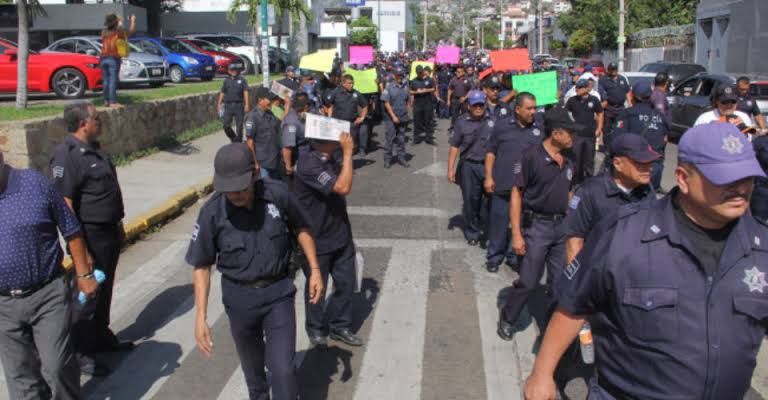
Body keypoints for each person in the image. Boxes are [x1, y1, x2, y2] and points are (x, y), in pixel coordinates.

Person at [524, 122, 768, 400]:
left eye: (747, 177)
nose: (740, 189)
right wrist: (542, 374)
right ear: (683, 179)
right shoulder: (623, 233)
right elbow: (573, 303)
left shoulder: (761, 248)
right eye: (724, 179)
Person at [187, 143, 324, 400]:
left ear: (255, 172)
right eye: (228, 190)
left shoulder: (278, 194)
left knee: (283, 371)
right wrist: (200, 316)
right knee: (254, 376)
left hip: (278, 294)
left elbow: (302, 228)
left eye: (241, 187)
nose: (235, 195)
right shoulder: (211, 212)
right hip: (239, 300)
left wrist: (314, 270)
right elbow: (202, 264)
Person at [0, 150, 94, 400]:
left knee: (57, 365)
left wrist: (84, 274)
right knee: (20, 377)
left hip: (47, 294)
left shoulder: (34, 183)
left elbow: (71, 229)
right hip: (3, 305)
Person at [49, 102, 135, 369]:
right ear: (84, 123)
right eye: (97, 118)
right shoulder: (66, 155)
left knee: (104, 288)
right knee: (86, 296)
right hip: (88, 236)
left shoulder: (94, 150)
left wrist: (118, 221)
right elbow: (65, 205)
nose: (101, 121)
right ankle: (80, 352)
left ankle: (101, 336)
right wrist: (80, 249)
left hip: (108, 231)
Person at [498, 106, 578, 341]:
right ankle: (508, 316)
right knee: (529, 281)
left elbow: (570, 192)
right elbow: (516, 194)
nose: (573, 137)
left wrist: (574, 225)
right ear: (556, 134)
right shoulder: (530, 157)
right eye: (569, 132)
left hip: (561, 228)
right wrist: (516, 234)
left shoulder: (569, 159)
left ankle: (552, 326)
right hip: (537, 228)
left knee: (560, 281)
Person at [293, 133, 364, 347]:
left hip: (340, 233)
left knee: (346, 282)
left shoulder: (329, 158)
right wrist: (349, 151)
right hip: (317, 238)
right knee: (317, 288)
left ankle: (340, 325)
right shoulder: (308, 163)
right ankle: (315, 328)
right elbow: (342, 187)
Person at [562, 133, 658, 263]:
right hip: (596, 273)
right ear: (617, 164)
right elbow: (574, 240)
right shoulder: (591, 191)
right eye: (640, 163)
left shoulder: (647, 191)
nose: (649, 168)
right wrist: (576, 280)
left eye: (650, 162)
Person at [484, 93, 542, 273]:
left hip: (527, 188)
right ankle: (494, 256)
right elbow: (491, 153)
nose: (533, 112)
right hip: (503, 183)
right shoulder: (502, 127)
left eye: (535, 108)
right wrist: (488, 176)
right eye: (529, 108)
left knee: (521, 225)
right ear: (517, 109)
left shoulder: (540, 129)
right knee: (499, 223)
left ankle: (513, 255)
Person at [448, 90, 493, 246]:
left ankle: (485, 227)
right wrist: (450, 169)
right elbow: (454, 146)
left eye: (481, 105)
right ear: (469, 106)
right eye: (475, 105)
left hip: (488, 167)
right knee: (470, 200)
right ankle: (472, 231)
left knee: (487, 201)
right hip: (469, 166)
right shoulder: (461, 122)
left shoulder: (492, 120)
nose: (478, 108)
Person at [614, 81, 670, 190]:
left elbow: (617, 141)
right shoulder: (660, 116)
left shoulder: (628, 114)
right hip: (654, 170)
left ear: (632, 96)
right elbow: (665, 139)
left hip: (634, 169)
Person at [565, 79, 604, 185]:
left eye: (580, 87)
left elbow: (600, 113)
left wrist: (599, 128)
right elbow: (564, 112)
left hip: (590, 134)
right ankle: (575, 180)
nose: (577, 89)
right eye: (576, 87)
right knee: (576, 159)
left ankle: (589, 182)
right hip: (577, 135)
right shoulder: (572, 100)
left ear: (587, 88)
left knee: (589, 159)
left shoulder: (594, 100)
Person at [99, 13, 135, 107]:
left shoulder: (104, 31)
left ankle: (106, 101)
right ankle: (113, 101)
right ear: (115, 22)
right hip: (113, 57)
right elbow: (130, 31)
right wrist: (132, 21)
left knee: (106, 80)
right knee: (113, 80)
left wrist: (117, 21)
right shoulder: (118, 32)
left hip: (103, 57)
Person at [246, 87, 282, 179]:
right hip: (263, 164)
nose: (271, 102)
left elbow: (280, 125)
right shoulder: (252, 117)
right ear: (260, 100)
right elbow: (250, 142)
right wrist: (255, 163)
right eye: (269, 100)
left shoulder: (270, 113)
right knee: (265, 189)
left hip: (274, 160)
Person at [327, 74, 368, 154]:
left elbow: (365, 105)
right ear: (343, 83)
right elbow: (329, 106)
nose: (351, 85)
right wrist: (329, 119)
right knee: (338, 146)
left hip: (352, 124)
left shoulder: (356, 93)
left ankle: (348, 163)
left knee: (350, 146)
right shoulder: (336, 92)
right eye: (349, 83)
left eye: (352, 83)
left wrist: (362, 117)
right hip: (338, 124)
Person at [381, 66, 411, 168]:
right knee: (390, 139)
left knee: (401, 139)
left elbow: (407, 101)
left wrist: (408, 112)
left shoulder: (406, 87)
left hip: (402, 117)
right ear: (394, 76)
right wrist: (393, 116)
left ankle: (401, 158)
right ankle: (387, 159)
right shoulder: (389, 87)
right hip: (391, 118)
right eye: (398, 75)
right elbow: (386, 102)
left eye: (401, 75)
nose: (400, 77)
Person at [598, 62, 631, 145]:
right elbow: (601, 92)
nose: (614, 71)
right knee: (607, 130)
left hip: (620, 108)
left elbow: (627, 92)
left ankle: (617, 145)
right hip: (609, 109)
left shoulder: (622, 79)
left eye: (615, 69)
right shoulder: (603, 80)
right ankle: (607, 147)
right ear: (608, 70)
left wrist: (629, 103)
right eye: (612, 69)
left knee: (620, 129)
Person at [217, 64, 250, 143]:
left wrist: (247, 104)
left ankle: (238, 142)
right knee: (226, 125)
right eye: (232, 70)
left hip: (239, 105)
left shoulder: (242, 80)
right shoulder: (226, 80)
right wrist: (219, 104)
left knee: (239, 126)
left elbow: (245, 91)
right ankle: (233, 138)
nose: (234, 71)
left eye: (235, 69)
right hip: (228, 105)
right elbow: (222, 92)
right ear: (229, 71)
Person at [281, 92, 310, 178]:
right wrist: (288, 167)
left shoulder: (300, 115)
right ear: (305, 106)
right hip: (296, 161)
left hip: (304, 157)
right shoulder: (291, 122)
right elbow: (287, 148)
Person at [410, 65, 437, 145]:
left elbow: (434, 88)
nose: (420, 74)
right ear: (416, 73)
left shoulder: (429, 79)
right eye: (419, 73)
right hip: (417, 103)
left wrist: (426, 90)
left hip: (428, 103)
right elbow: (410, 91)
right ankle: (416, 138)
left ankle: (429, 138)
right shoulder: (414, 81)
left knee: (428, 121)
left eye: (421, 72)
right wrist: (416, 92)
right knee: (417, 121)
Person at [448, 66, 473, 132]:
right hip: (455, 99)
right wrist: (448, 100)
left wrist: (465, 98)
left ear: (463, 73)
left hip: (464, 100)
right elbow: (450, 90)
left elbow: (470, 90)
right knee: (454, 115)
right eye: (456, 72)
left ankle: (464, 129)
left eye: (459, 72)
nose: (457, 73)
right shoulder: (453, 80)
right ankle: (453, 129)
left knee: (464, 115)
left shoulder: (466, 80)